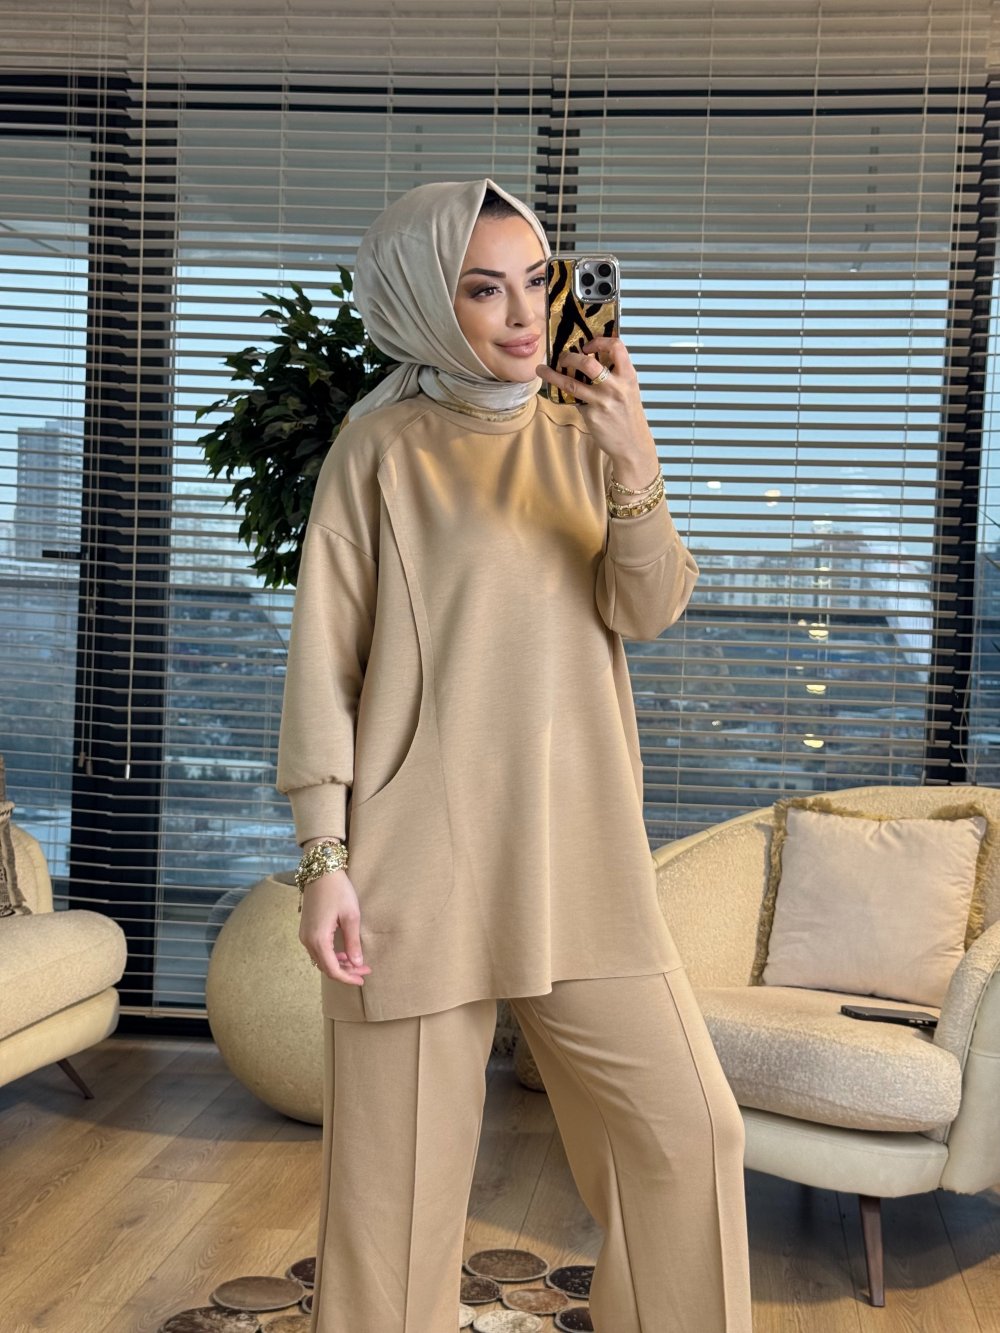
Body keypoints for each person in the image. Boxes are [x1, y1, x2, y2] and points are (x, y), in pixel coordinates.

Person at [276, 178, 751, 1333]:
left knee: (691, 1132)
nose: (523, 313)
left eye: (536, 280)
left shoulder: (584, 432)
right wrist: (324, 857)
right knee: (394, 1208)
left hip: (579, 857)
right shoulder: (377, 452)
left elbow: (647, 608)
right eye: (483, 289)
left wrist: (633, 460)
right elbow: (324, 667)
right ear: (423, 302)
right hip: (415, 867)